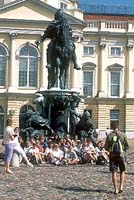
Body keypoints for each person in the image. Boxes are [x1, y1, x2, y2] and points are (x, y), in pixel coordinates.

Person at [105, 122, 129, 195]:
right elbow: (127, 145)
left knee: (114, 173)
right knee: (122, 171)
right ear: (118, 127)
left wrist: (110, 149)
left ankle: (115, 189)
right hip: (121, 156)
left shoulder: (109, 136)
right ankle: (121, 187)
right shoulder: (123, 135)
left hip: (113, 156)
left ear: (112, 127)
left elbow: (106, 147)